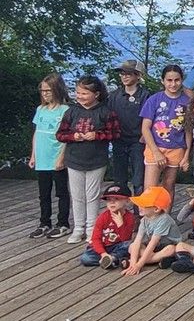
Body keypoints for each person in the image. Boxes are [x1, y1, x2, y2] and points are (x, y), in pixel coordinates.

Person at [55, 75, 120, 244]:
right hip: (74, 159)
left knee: (92, 195)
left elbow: (115, 133)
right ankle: (78, 228)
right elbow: (60, 134)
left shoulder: (105, 112)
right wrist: (73, 136)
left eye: (84, 93)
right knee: (77, 196)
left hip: (96, 160)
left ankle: (92, 229)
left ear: (96, 94)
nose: (80, 96)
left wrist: (97, 135)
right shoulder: (71, 111)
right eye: (78, 93)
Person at [139, 65, 190, 203]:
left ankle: (166, 215)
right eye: (169, 80)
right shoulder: (154, 100)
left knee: (169, 185)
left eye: (177, 80)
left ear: (182, 80)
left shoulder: (187, 102)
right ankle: (148, 215)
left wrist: (187, 154)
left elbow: (188, 130)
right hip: (155, 147)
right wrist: (156, 152)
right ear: (163, 81)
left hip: (176, 148)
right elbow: (145, 128)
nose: (173, 84)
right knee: (150, 187)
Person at [29, 73, 71, 238]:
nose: (45, 94)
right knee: (44, 193)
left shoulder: (64, 110)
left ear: (56, 90)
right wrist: (33, 155)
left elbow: (66, 137)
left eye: (48, 90)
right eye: (42, 90)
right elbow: (37, 133)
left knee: (61, 192)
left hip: (56, 156)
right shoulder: (40, 109)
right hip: (42, 157)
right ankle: (44, 222)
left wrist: (62, 157)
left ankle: (63, 222)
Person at [107, 60, 151, 196]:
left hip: (138, 141)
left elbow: (150, 118)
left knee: (139, 178)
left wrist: (145, 136)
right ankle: (121, 206)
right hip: (119, 140)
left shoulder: (146, 95)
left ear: (138, 75)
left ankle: (139, 207)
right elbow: (108, 117)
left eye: (129, 74)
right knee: (119, 179)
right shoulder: (114, 96)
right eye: (122, 74)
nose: (124, 76)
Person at [122, 186, 180, 275]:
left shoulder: (164, 219)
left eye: (143, 205)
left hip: (166, 245)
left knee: (171, 249)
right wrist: (133, 264)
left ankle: (145, 260)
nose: (139, 207)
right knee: (132, 246)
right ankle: (154, 260)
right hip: (153, 248)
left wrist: (139, 265)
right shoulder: (144, 219)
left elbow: (153, 242)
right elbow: (137, 241)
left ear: (156, 209)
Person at [80, 184, 136, 268]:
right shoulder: (103, 217)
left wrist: (120, 225)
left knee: (130, 245)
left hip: (118, 246)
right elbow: (95, 239)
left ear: (127, 201)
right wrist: (103, 254)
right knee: (85, 258)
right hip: (102, 247)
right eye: (109, 200)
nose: (112, 202)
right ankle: (113, 260)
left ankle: (112, 259)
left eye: (116, 199)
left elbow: (125, 239)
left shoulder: (130, 217)